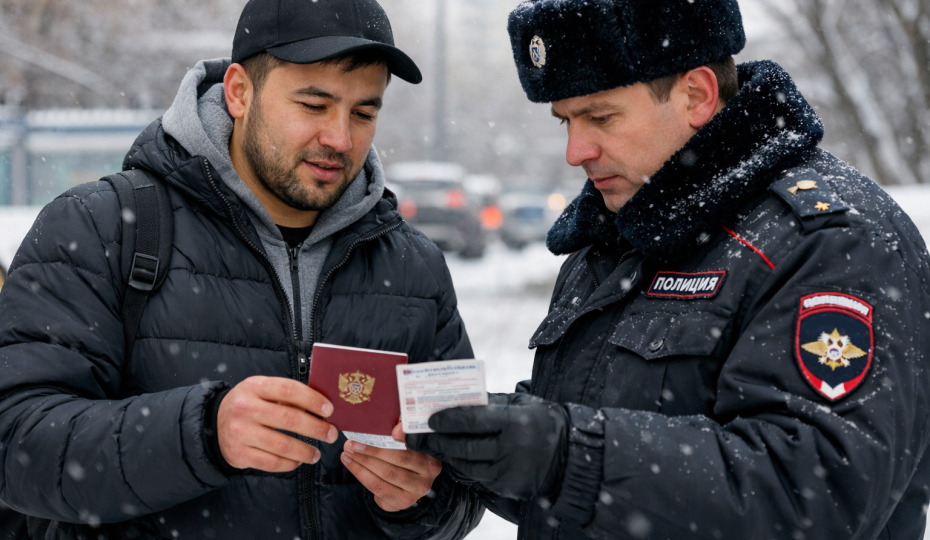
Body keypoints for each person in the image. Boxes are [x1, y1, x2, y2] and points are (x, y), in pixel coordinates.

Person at [408, 1, 930, 539]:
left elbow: (816, 495)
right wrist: (477, 446)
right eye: (565, 120)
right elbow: (582, 470)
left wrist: (566, 455)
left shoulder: (832, 242)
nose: (574, 151)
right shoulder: (619, 232)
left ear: (697, 95)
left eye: (600, 116)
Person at [0, 0, 484, 538]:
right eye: (314, 104)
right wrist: (203, 433)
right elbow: (15, 441)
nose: (340, 139)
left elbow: (463, 489)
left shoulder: (415, 267)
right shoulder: (99, 227)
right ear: (239, 92)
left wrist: (420, 500)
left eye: (364, 113)